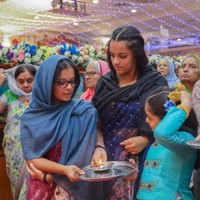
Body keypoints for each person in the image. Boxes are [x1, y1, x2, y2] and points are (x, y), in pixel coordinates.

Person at [91, 26, 168, 199]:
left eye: (122, 56)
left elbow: (168, 122)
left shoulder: (155, 82)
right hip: (105, 157)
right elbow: (95, 122)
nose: (116, 61)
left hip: (144, 159)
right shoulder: (105, 83)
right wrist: (98, 145)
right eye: (112, 55)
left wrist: (146, 139)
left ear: (137, 54)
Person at [20, 55, 102, 200]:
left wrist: (99, 147)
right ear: (47, 83)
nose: (69, 87)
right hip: (46, 188)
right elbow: (33, 158)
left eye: (72, 81)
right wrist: (62, 171)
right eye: (61, 82)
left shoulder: (83, 109)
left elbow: (96, 130)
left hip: (79, 185)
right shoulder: (33, 117)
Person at [136, 86, 198, 199]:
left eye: (150, 117)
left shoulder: (186, 140)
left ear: (166, 118)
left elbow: (163, 133)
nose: (146, 120)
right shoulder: (157, 140)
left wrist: (184, 107)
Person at [1, 64, 37, 200]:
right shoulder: (9, 95)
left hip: (37, 153)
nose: (25, 85)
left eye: (29, 80)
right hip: (14, 153)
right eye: (20, 81)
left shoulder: (41, 97)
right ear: (14, 81)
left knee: (35, 188)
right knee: (17, 187)